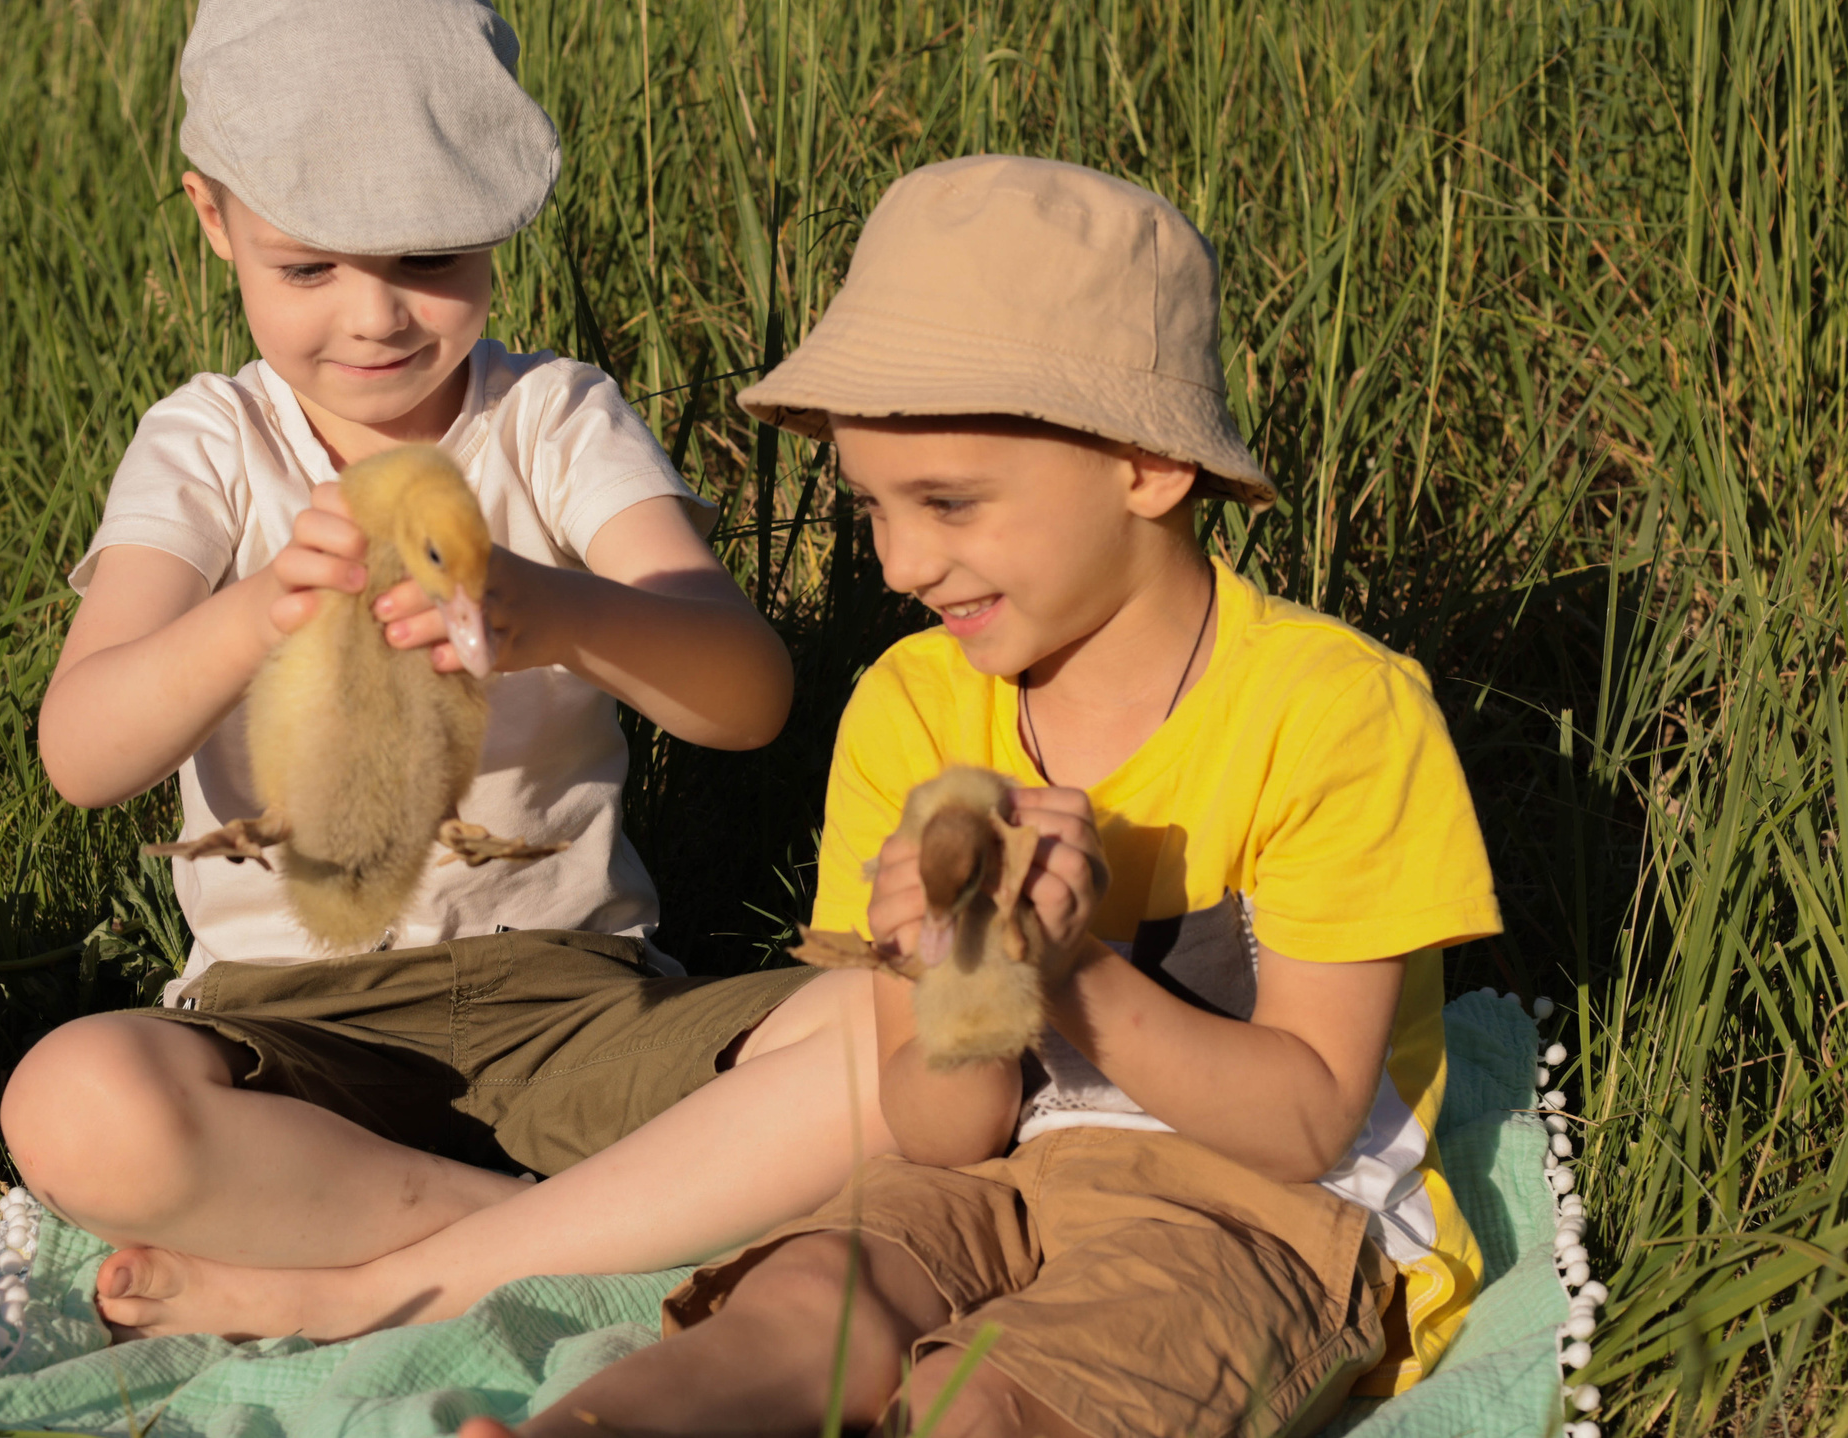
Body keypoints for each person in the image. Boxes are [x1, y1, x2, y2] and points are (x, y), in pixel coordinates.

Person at [461, 154, 1503, 1437]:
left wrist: (1066, 973)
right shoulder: (915, 703)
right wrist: (958, 976)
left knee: (996, 1395)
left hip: (1257, 1209)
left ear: (1146, 466)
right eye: (872, 508)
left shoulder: (1334, 710)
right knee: (805, 1296)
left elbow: (1300, 1120)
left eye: (948, 502)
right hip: (994, 1169)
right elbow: (944, 1133)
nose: (900, 562)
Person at [1, 0, 891, 1341]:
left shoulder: (555, 418)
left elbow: (744, 694)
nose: (374, 319)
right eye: (308, 270)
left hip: (572, 998)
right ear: (213, 217)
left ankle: (368, 1278)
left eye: (427, 256)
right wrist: (252, 616)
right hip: (295, 1036)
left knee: (917, 1037)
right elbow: (82, 751)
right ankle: (611, 1230)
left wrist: (555, 613)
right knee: (72, 1102)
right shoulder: (209, 442)